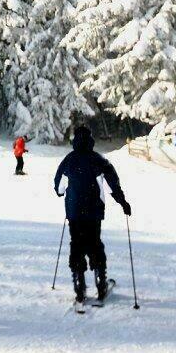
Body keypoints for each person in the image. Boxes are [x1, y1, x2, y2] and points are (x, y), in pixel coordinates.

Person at [54, 126, 131, 304]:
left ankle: (79, 284)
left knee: (77, 245)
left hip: (74, 213)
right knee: (95, 244)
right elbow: (113, 184)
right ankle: (100, 281)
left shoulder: (69, 160)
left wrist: (70, 192)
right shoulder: (98, 160)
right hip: (93, 213)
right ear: (90, 140)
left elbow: (59, 189)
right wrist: (123, 203)